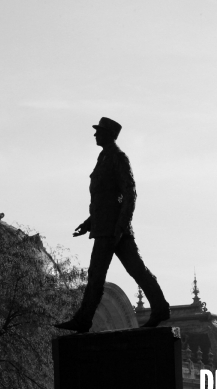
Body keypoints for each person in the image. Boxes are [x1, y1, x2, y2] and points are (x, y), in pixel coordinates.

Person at [55, 117, 170, 333]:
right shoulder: (104, 158)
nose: (95, 135)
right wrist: (88, 223)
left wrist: (120, 227)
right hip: (105, 227)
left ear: (109, 135)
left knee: (104, 274)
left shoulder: (118, 157)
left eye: (99, 131)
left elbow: (130, 194)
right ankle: (160, 307)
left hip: (113, 230)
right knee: (128, 271)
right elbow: (105, 199)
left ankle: (84, 319)